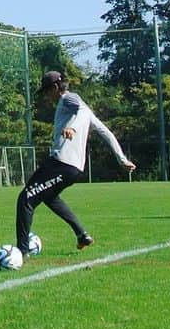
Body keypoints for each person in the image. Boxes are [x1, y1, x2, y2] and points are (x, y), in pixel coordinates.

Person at [16, 71, 135, 255]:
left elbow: (82, 112)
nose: (47, 97)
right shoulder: (83, 111)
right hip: (70, 167)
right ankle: (82, 234)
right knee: (49, 197)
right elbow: (105, 131)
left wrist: (71, 127)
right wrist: (121, 158)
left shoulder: (69, 99)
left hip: (61, 164)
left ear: (56, 87)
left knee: (26, 200)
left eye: (48, 91)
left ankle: (21, 252)